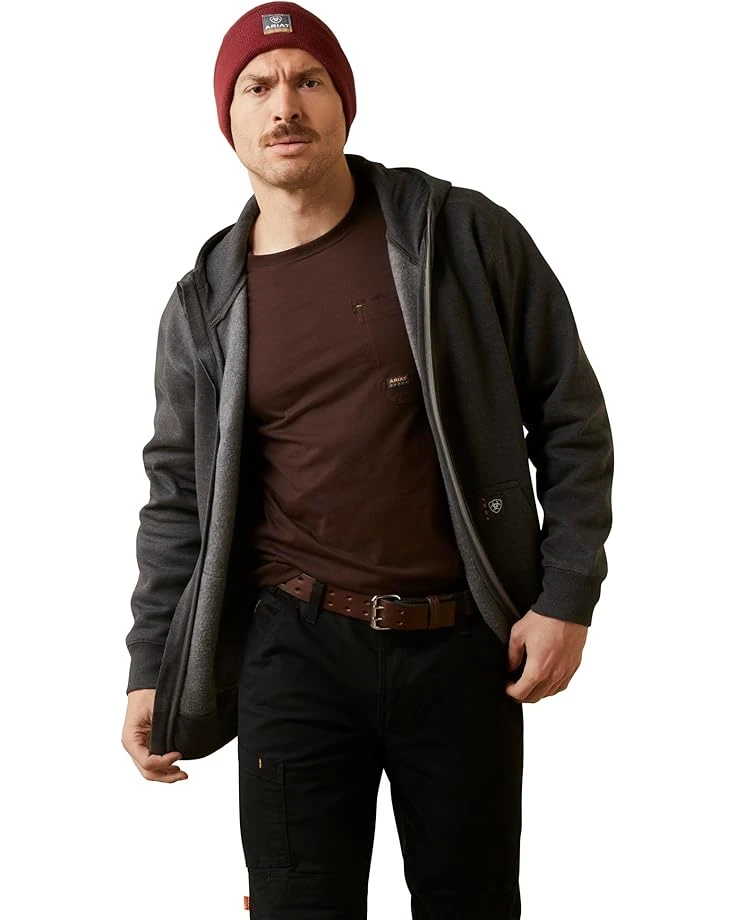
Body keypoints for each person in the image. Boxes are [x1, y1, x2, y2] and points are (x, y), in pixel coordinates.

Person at [121, 3, 614, 917]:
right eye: (257, 87)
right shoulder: (204, 306)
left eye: (308, 80)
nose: (285, 105)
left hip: (463, 643)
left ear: (343, 102)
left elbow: (569, 414)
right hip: (295, 648)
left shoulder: (458, 236)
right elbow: (178, 497)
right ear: (229, 121)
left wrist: (566, 593)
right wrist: (152, 662)